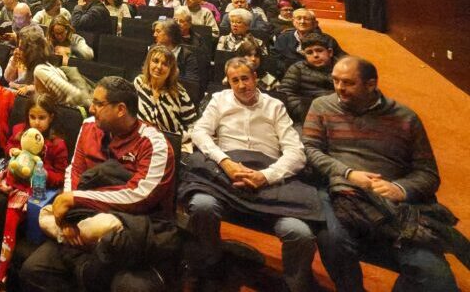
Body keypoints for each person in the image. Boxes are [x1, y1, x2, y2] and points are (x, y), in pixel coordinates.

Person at [304, 57, 461, 292]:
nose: (339, 88)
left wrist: (399, 189)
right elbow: (310, 149)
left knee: (437, 279)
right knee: (333, 240)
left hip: (393, 205)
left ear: (371, 84)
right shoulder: (322, 106)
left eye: (348, 82)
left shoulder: (405, 118)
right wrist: (348, 173)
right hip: (343, 194)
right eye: (335, 80)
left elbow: (428, 173)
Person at [20, 76, 177, 292]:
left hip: (131, 229)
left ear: (120, 109)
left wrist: (74, 199)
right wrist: (68, 218)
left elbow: (140, 195)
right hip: (84, 218)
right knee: (33, 270)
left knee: (128, 288)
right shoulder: (88, 126)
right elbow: (75, 169)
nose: (91, 108)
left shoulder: (154, 143)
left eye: (98, 103)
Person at [185, 57, 318, 291]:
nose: (241, 85)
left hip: (268, 177)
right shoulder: (219, 100)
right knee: (202, 205)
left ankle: (294, 286)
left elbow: (296, 152)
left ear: (255, 78)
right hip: (228, 175)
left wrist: (266, 175)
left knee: (300, 233)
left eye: (245, 78)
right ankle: (211, 264)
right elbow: (199, 132)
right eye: (235, 80)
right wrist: (225, 161)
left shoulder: (274, 106)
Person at [0, 92, 69, 283]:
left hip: (30, 191)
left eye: (42, 118)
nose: (36, 122)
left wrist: (43, 172)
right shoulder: (20, 131)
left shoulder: (57, 144)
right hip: (9, 180)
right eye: (32, 117)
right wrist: (13, 151)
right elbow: (8, 147)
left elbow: (60, 176)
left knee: (9, 219)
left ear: (51, 117)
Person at [133, 46, 198, 149]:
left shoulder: (179, 93)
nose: (159, 67)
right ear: (148, 63)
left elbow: (194, 126)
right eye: (155, 61)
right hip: (141, 143)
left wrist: (179, 140)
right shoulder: (139, 83)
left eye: (165, 64)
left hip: (170, 147)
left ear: (171, 70)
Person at [4, 31, 87, 107]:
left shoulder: (41, 70)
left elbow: (78, 96)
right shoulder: (37, 68)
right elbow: (9, 79)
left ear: (30, 52)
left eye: (21, 49)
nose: (17, 51)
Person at [277, 33, 336, 123]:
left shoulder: (343, 67)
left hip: (339, 112)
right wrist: (306, 110)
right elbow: (285, 94)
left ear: (330, 52)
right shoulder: (298, 68)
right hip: (308, 116)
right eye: (309, 52)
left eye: (319, 50)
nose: (315, 55)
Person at [272, 8, 342, 74]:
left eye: (307, 19)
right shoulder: (283, 38)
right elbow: (276, 59)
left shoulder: (327, 39)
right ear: (293, 22)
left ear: (315, 23)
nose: (302, 22)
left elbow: (341, 58)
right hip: (290, 74)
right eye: (299, 18)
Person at [151, 19, 200, 84]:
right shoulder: (153, 49)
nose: (154, 35)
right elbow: (145, 70)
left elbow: (191, 82)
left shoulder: (187, 56)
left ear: (170, 35)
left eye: (158, 31)